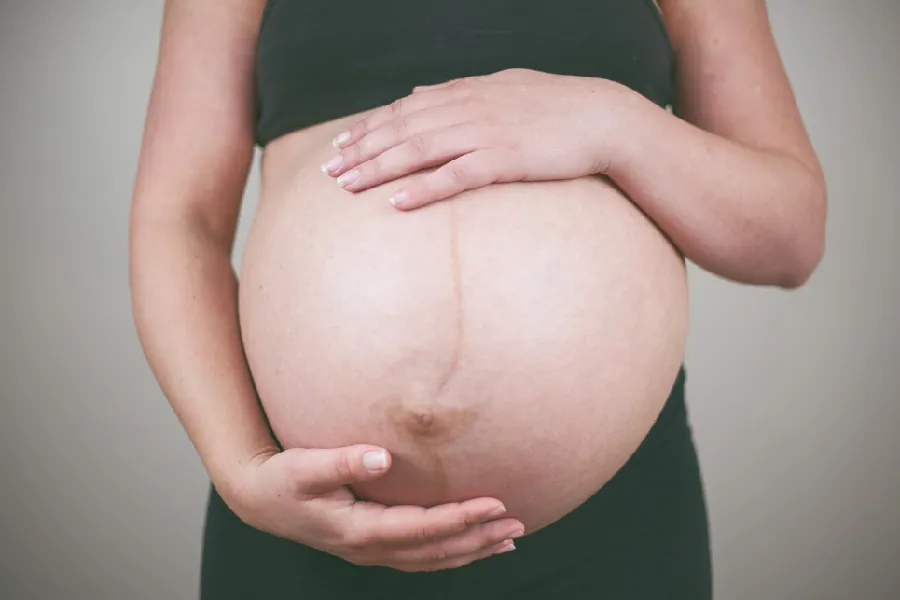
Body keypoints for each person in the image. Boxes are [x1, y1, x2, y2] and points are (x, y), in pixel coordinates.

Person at [128, 0, 826, 598]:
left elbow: (791, 235)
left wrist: (615, 123)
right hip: (303, 514)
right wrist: (242, 470)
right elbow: (178, 218)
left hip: (609, 519)